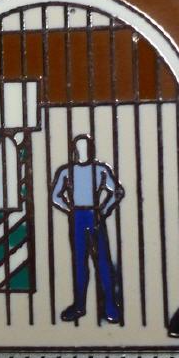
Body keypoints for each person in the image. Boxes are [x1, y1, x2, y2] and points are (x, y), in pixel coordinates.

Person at [50, 134, 125, 323]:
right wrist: (70, 210)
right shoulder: (67, 171)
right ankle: (79, 306)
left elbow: (117, 191)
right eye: (79, 148)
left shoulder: (100, 170)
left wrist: (104, 210)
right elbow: (55, 196)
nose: (83, 152)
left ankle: (110, 306)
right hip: (77, 217)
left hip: (94, 215)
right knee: (79, 263)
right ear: (75, 151)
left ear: (91, 150)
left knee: (103, 262)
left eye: (86, 148)